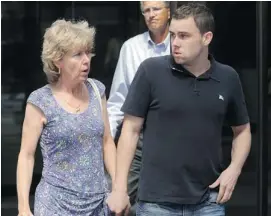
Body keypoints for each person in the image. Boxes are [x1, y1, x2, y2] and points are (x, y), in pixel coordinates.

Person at [107, 3, 251, 216]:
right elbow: (130, 130)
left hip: (209, 200)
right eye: (173, 35)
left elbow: (242, 130)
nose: (175, 43)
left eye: (184, 36)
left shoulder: (227, 78)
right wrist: (119, 189)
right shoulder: (151, 71)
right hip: (157, 202)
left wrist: (234, 170)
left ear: (206, 38)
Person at [16, 19, 116, 216]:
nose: (86, 60)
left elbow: (107, 142)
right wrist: (23, 207)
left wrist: (118, 187)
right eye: (77, 55)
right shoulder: (40, 101)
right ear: (57, 60)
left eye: (88, 52)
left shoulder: (97, 90)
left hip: (98, 204)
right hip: (55, 205)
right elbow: (26, 155)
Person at [107, 1, 170, 214]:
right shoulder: (131, 47)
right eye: (146, 11)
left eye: (156, 9)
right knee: (117, 199)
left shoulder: (180, 43)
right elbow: (118, 100)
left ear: (169, 11)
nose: (151, 15)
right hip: (137, 135)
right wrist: (106, 137)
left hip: (172, 136)